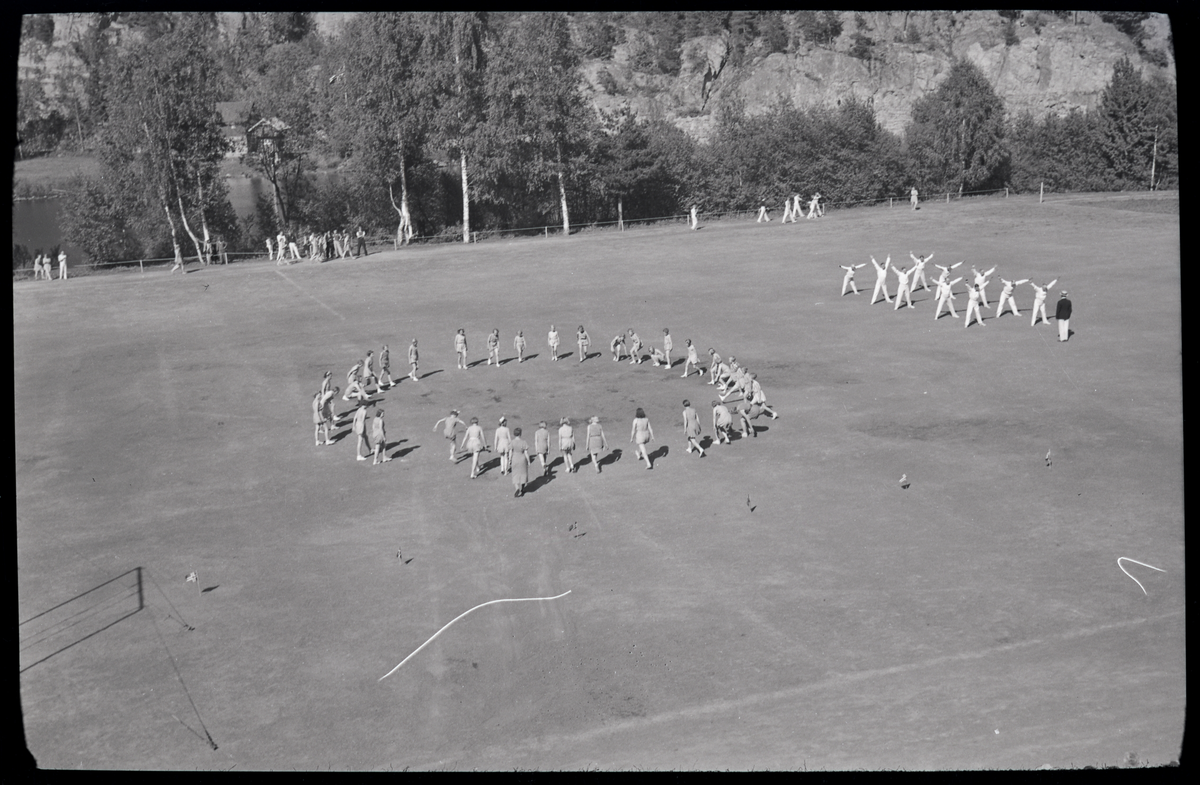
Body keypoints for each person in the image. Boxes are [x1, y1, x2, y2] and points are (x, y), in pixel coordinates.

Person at [508, 428, 531, 497]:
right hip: (522, 459)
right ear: (520, 433)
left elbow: (510, 452)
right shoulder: (523, 442)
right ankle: (522, 488)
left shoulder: (512, 442)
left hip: (515, 458)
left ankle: (517, 488)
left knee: (515, 474)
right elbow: (526, 452)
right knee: (523, 474)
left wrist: (509, 460)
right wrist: (528, 460)